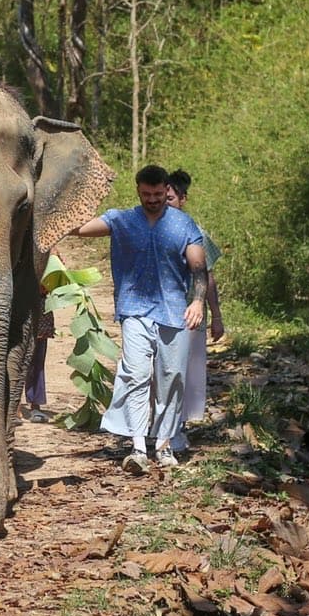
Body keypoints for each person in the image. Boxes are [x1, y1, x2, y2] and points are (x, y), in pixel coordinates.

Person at [70, 164, 207, 472]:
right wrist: (69, 204)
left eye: (159, 194)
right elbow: (78, 229)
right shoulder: (121, 219)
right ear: (138, 191)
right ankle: (137, 447)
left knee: (172, 378)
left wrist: (197, 301)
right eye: (147, 194)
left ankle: (164, 444)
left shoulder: (184, 224)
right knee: (136, 375)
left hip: (174, 312)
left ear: (166, 191)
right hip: (134, 310)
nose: (153, 199)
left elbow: (199, 269)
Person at [165, 170, 225, 452]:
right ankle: (159, 426)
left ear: (183, 199)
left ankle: (178, 426)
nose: (166, 203)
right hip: (162, 310)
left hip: (192, 312)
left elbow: (208, 276)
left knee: (187, 372)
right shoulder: (152, 228)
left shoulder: (197, 233)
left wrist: (216, 315)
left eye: (170, 198)